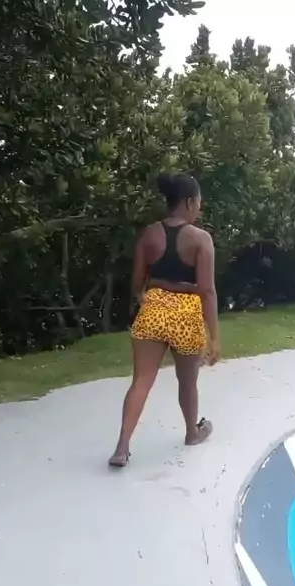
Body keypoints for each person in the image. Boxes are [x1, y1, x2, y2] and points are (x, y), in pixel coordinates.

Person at [109, 172, 221, 467]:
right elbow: (207, 291)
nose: (199, 208)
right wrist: (214, 337)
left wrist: (144, 299)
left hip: (154, 308)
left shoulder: (149, 234)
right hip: (187, 313)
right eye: (198, 203)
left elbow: (137, 282)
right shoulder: (201, 239)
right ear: (189, 202)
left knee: (141, 381)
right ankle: (192, 433)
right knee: (188, 381)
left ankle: (122, 447)